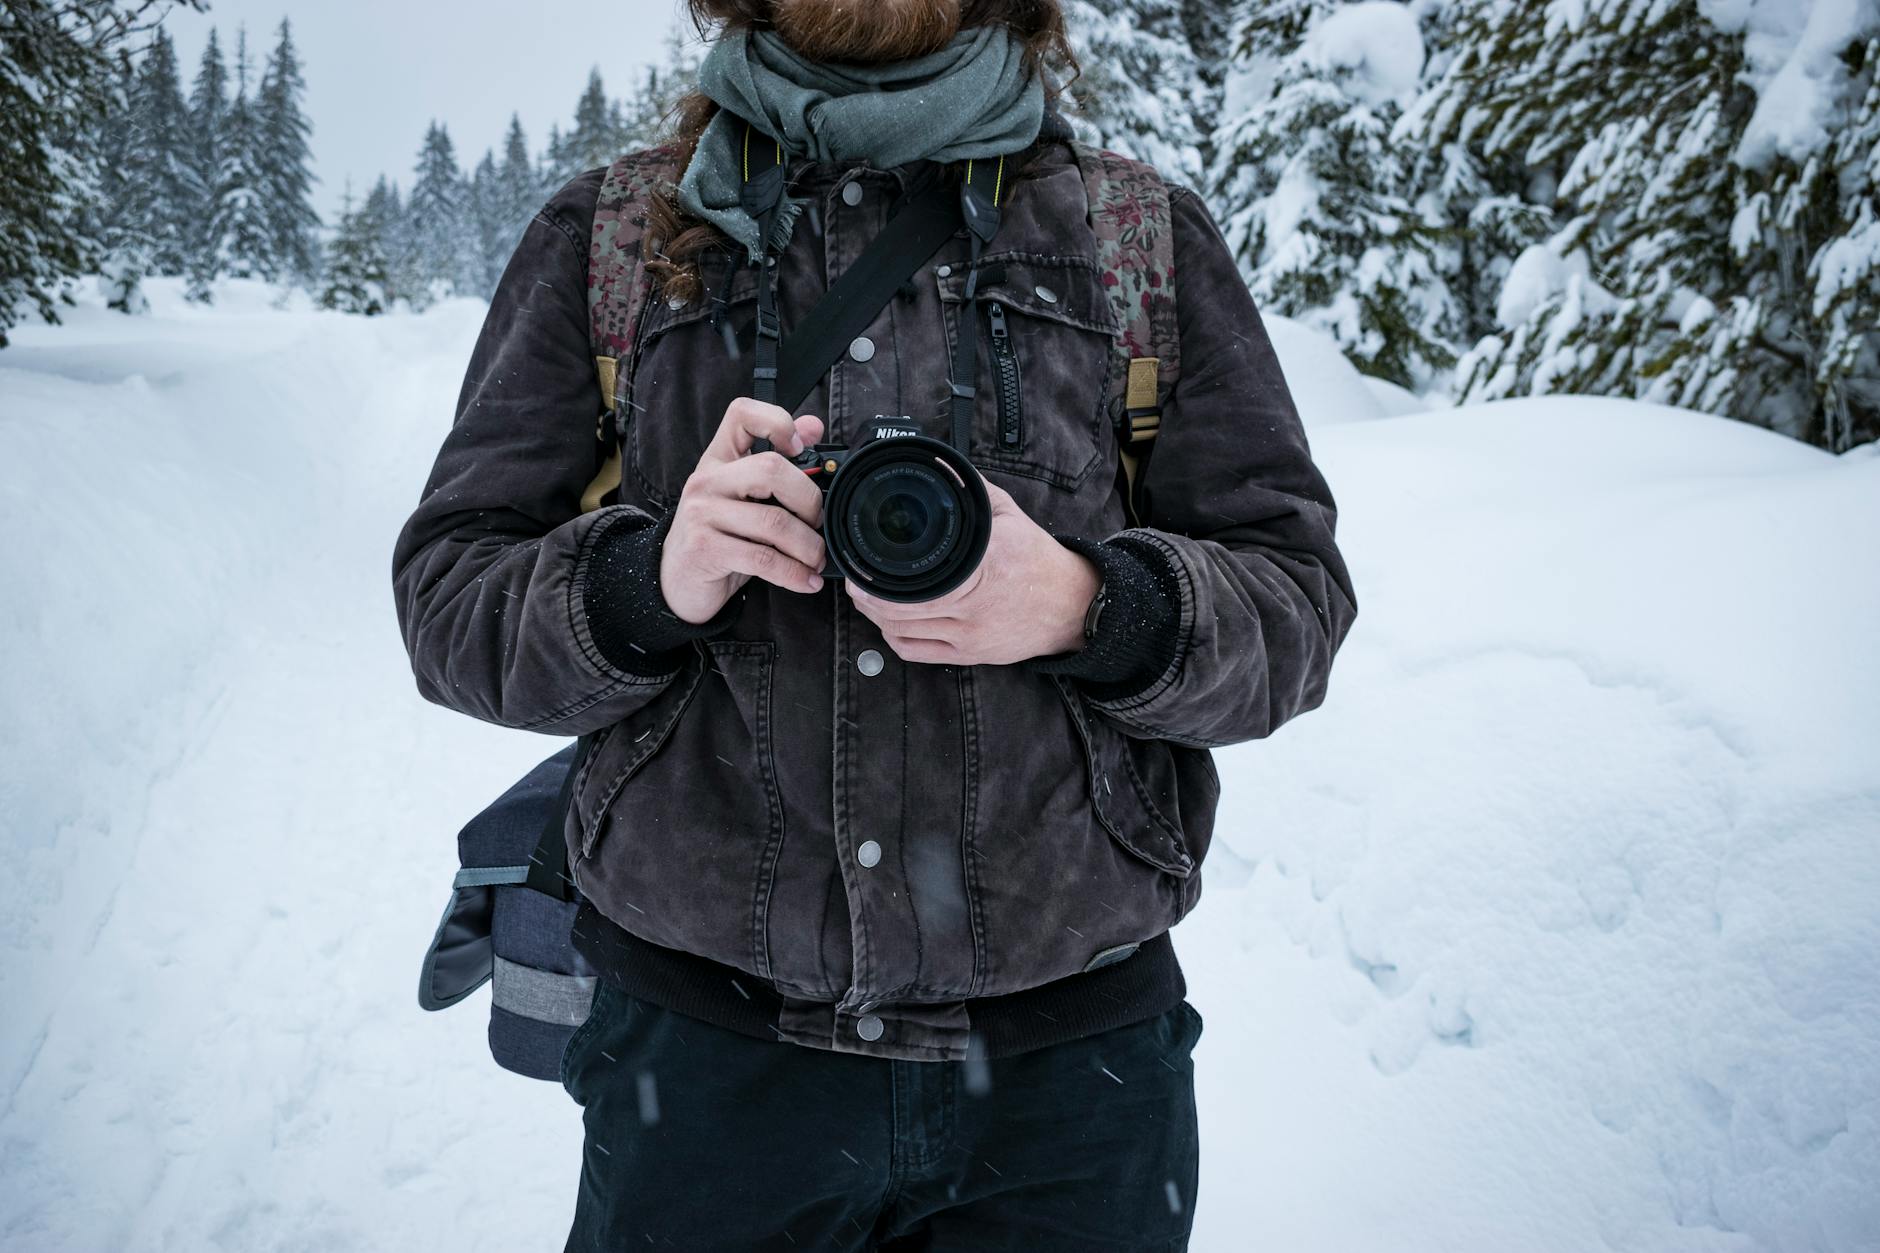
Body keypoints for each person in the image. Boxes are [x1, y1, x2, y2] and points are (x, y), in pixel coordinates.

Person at [390, 0, 1358, 1247]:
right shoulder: (618, 241)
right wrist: (648, 582)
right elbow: (447, 599)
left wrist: (1086, 604)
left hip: (1068, 1084)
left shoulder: (1133, 242)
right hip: (701, 1070)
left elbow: (1296, 603)